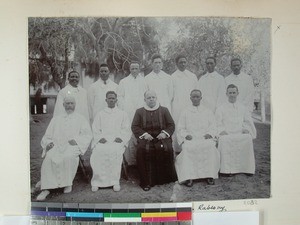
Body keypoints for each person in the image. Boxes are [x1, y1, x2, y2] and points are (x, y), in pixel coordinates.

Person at [36, 96, 92, 201]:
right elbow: (47, 135)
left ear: (75, 105)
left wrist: (77, 140)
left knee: (68, 157)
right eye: (67, 103)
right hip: (56, 145)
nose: (69, 105)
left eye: (72, 103)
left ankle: (67, 183)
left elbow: (87, 135)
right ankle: (46, 188)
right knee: (49, 158)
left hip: (72, 146)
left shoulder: (80, 118)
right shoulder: (56, 119)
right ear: (63, 105)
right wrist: (48, 143)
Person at [131, 90, 177, 191]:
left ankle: (164, 179)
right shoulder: (139, 111)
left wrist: (164, 133)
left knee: (166, 148)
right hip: (147, 139)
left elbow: (171, 125)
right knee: (142, 150)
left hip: (161, 138)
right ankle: (146, 181)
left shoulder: (164, 110)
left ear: (156, 98)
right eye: (149, 98)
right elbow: (135, 126)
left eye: (153, 97)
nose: (151, 99)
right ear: (145, 99)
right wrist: (145, 134)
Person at [175, 89, 220, 186]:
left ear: (201, 98)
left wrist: (210, 134)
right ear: (190, 98)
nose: (195, 99)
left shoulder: (207, 111)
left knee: (210, 147)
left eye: (197, 97)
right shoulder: (185, 112)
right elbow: (180, 128)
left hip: (204, 138)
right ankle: (189, 177)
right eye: (193, 97)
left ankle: (209, 175)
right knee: (187, 148)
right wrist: (186, 135)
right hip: (191, 139)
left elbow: (213, 126)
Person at [90, 91, 131, 192]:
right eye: (109, 98)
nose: (111, 100)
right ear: (106, 100)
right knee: (98, 152)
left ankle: (114, 181)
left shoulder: (122, 114)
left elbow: (126, 129)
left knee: (115, 152)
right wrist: (99, 138)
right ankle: (97, 182)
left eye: (113, 98)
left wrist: (121, 137)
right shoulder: (100, 114)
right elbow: (95, 129)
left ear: (116, 100)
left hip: (117, 141)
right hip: (103, 141)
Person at [215, 84, 257, 176]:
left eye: (234, 92)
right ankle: (227, 170)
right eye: (230, 93)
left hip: (239, 132)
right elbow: (217, 123)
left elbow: (247, 121)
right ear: (226, 94)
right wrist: (221, 130)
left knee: (247, 138)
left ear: (237, 93)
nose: (232, 95)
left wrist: (246, 129)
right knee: (224, 140)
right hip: (227, 134)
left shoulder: (243, 107)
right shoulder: (221, 108)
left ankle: (246, 168)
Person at [117, 62, 148, 165]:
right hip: (128, 112)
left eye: (136, 68)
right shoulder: (123, 82)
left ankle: (140, 161)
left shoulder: (144, 81)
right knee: (129, 133)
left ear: (139, 69)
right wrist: (124, 108)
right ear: (129, 70)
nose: (134, 70)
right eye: (132, 68)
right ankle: (129, 161)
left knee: (140, 133)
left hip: (141, 111)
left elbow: (147, 96)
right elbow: (120, 97)